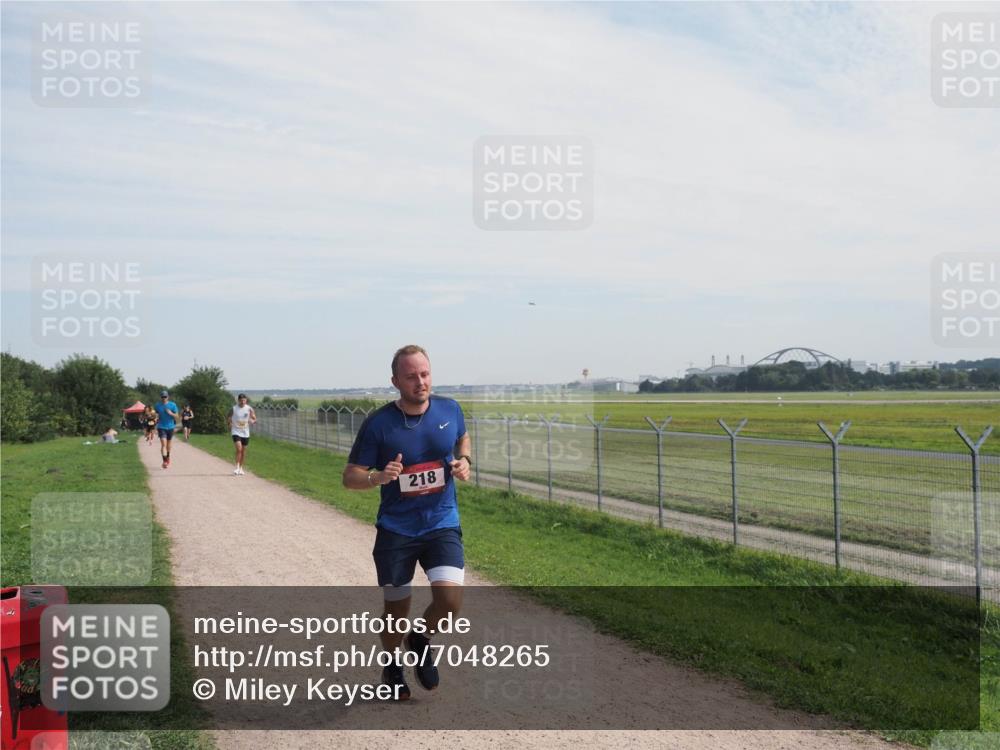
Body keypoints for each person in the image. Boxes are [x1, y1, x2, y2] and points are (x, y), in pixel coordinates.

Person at [342, 345, 472, 701]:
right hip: (397, 530)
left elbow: (461, 436)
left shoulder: (449, 409)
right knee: (396, 609)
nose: (421, 382)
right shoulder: (379, 424)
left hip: (441, 521)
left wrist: (464, 460)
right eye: (411, 376)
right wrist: (377, 478)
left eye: (425, 374)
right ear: (395, 381)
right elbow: (350, 476)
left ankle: (420, 639)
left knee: (449, 602)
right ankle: (392, 665)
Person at [227, 393, 256, 475]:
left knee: (243, 451)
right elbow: (229, 416)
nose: (243, 402)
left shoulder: (249, 409)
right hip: (236, 431)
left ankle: (241, 468)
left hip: (245, 432)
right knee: (239, 449)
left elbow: (254, 418)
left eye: (244, 400)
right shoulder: (234, 409)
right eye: (241, 400)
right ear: (238, 400)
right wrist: (229, 424)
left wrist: (252, 421)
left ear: (246, 400)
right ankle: (236, 467)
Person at [154, 390, 180, 469]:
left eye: (165, 397)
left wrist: (171, 413)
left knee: (169, 445)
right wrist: (156, 418)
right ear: (160, 397)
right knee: (163, 444)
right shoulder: (158, 405)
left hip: (170, 427)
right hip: (161, 427)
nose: (164, 398)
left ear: (168, 397)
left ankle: (168, 456)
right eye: (162, 397)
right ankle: (164, 461)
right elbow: (157, 415)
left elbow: (177, 416)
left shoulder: (172, 405)